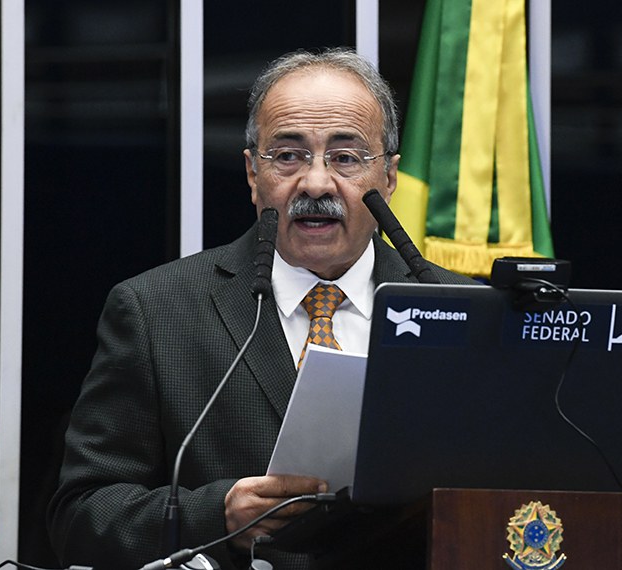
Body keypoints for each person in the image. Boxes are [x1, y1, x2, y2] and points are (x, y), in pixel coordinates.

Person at [47, 47, 475, 570]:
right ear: (253, 174)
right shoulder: (158, 312)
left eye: (345, 157)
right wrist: (217, 516)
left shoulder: (462, 311)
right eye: (288, 156)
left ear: (388, 178)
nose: (316, 184)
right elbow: (80, 515)